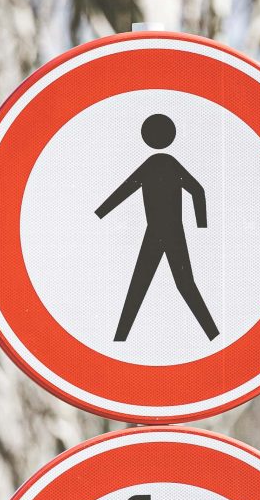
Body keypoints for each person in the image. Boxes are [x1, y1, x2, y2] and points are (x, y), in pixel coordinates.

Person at [94, 113, 220, 342]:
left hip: (161, 231)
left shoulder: (154, 164)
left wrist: (101, 213)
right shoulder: (168, 163)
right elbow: (198, 191)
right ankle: (213, 336)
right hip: (168, 232)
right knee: (178, 284)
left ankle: (120, 339)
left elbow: (125, 189)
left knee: (143, 285)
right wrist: (200, 224)